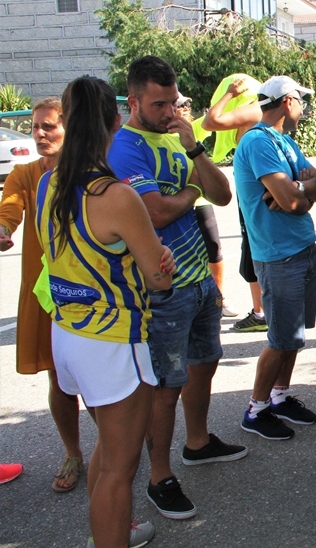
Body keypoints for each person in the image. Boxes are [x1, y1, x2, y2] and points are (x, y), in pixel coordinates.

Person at [36, 75, 176, 548]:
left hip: (68, 334)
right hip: (113, 339)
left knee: (109, 453)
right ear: (115, 121)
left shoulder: (46, 184)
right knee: (121, 466)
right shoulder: (116, 195)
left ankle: (110, 531)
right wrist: (166, 263)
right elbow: (158, 277)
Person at [108, 56, 247, 521]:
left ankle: (198, 442)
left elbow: (223, 194)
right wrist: (191, 193)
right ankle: (158, 476)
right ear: (134, 102)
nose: (170, 112)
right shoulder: (125, 147)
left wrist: (194, 152)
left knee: (205, 363)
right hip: (160, 288)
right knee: (165, 387)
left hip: (198, 280)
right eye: (159, 104)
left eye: (174, 102)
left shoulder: (177, 138)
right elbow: (157, 213)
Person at [0, 97, 86, 493]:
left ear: (70, 129)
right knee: (59, 377)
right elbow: (8, 210)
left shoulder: (91, 174)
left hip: (93, 293)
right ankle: (73, 452)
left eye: (48, 126)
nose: (38, 133)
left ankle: (119, 451)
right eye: (35, 126)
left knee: (102, 380)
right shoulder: (24, 174)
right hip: (47, 295)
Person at [233, 75, 316, 441]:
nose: (304, 107)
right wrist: (298, 196)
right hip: (279, 257)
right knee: (281, 338)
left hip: (302, 248)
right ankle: (256, 410)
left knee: (294, 336)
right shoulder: (258, 141)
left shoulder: (284, 141)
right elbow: (288, 202)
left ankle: (280, 396)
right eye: (301, 100)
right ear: (288, 101)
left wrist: (299, 191)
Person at [201, 74, 268, 332]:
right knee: (254, 250)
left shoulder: (255, 109)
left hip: (254, 187)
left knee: (256, 250)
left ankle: (263, 313)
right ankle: (262, 311)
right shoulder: (260, 111)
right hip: (254, 185)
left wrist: (229, 93)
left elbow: (211, 121)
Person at [174, 92, 238, 318]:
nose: (183, 108)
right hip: (179, 201)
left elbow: (214, 117)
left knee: (214, 248)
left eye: (186, 104)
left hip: (201, 200)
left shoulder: (192, 128)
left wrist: (230, 95)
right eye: (179, 104)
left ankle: (219, 298)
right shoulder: (157, 136)